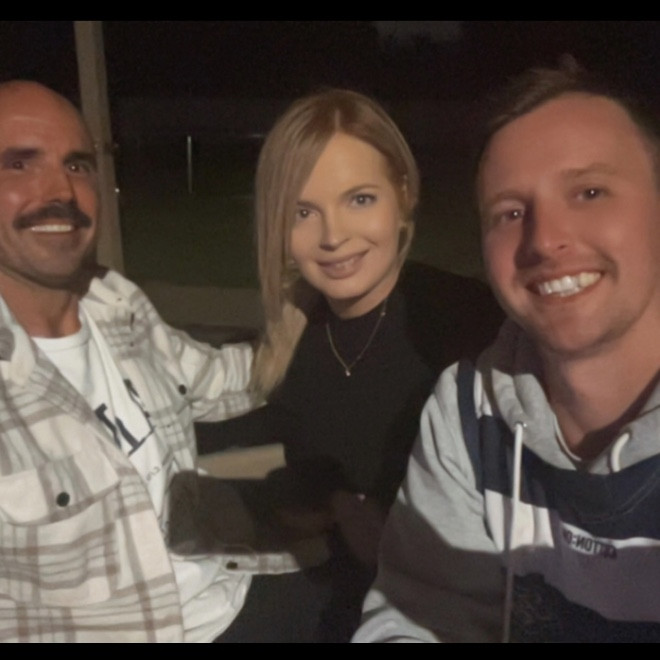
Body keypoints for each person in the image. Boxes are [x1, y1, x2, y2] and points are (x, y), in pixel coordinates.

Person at [355, 64, 660, 643]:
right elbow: (419, 612)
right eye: (511, 213)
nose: (544, 240)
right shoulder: (468, 413)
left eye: (589, 192)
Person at [207, 89, 502, 642]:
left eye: (360, 199)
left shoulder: (471, 324)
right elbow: (256, 454)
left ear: (404, 194)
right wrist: (329, 504)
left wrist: (388, 531)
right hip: (319, 595)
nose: (333, 236)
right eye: (303, 212)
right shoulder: (288, 337)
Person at [0, 80, 257, 642]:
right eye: (19, 163)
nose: (60, 190)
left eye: (77, 165)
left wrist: (334, 313)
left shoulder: (115, 304)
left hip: (223, 597)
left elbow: (220, 381)